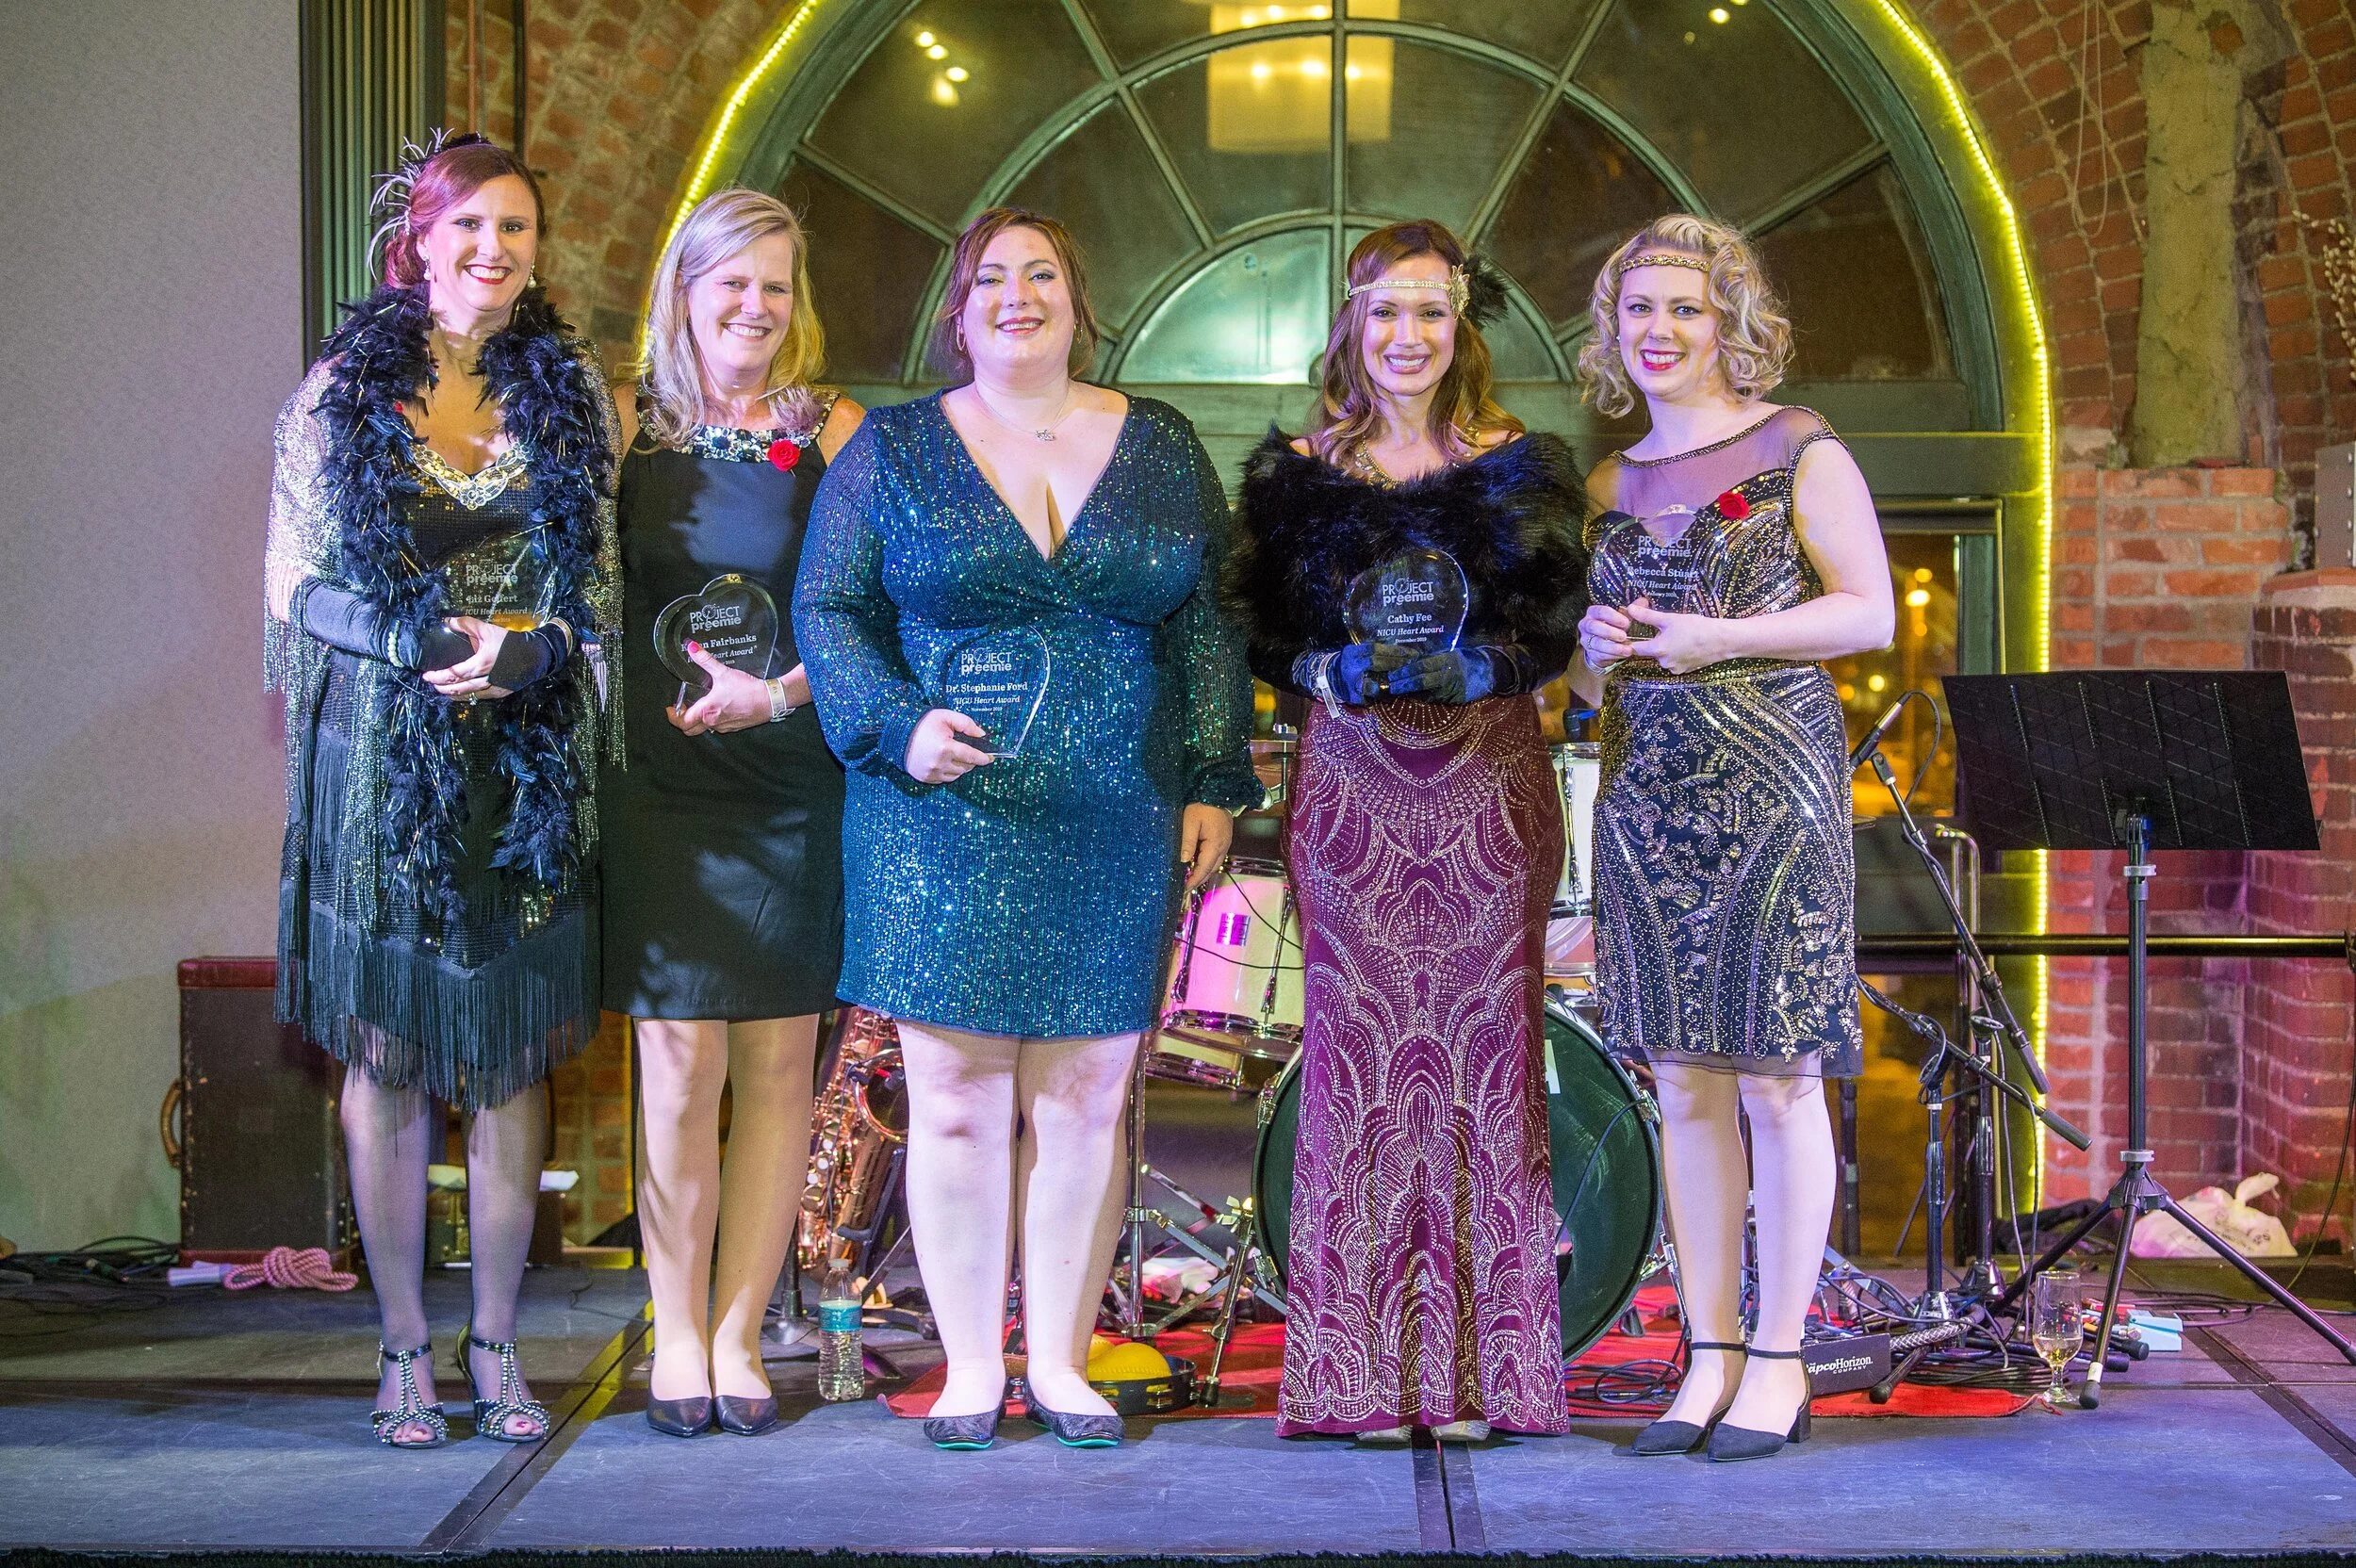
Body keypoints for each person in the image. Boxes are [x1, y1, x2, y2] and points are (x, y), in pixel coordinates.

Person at [794, 206, 1260, 1451]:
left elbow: (1208, 624)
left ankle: (1056, 1362)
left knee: (1084, 1101)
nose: (1017, 295)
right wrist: (899, 727)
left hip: (1115, 818)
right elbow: (829, 615)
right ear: (960, 312)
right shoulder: (892, 451)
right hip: (939, 819)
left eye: (1041, 273)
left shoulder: (1156, 445)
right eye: (991, 278)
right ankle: (965, 1369)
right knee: (950, 1102)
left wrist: (1215, 775)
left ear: (1078, 298)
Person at [264, 133, 620, 1449]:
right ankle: (404, 1348)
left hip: (521, 764)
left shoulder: (572, 391)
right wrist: (412, 640)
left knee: (514, 1058)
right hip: (380, 758)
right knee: (391, 1058)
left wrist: (536, 649)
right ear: (417, 239)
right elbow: (293, 588)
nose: (492, 250)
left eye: (516, 229)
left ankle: (497, 1346)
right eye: (468, 225)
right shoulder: (338, 392)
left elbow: (595, 584)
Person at [1221, 220, 1589, 1443]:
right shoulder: (1297, 475)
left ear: (1462, 323)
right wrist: (1321, 672)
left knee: (1486, 1081)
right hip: (1354, 797)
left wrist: (1484, 662)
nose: (1408, 337)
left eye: (1431, 312)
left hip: (1487, 793)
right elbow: (1260, 637)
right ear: (1352, 322)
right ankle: (1361, 1385)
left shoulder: (1522, 469)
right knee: (1359, 1077)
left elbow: (1552, 632)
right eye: (1387, 312)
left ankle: (1493, 1383)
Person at [1568, 214, 1892, 1462]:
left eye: (1685, 309)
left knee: (1776, 1074)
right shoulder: (1607, 484)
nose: (1658, 330)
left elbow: (1864, 611)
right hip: (1648, 792)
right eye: (1637, 309)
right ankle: (1703, 1357)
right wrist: (1599, 656)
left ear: (1731, 323)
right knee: (1686, 1084)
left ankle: (1780, 1358)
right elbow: (1604, 675)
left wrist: (1719, 641)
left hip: (1773, 789)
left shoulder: (1794, 446)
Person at [600, 188, 863, 1440]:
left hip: (791, 777)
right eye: (730, 285)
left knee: (774, 1065)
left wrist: (786, 694)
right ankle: (673, 1330)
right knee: (675, 1059)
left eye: (774, 285)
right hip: (661, 792)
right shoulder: (621, 433)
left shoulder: (836, 433)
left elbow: (876, 616)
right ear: (686, 294)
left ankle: (743, 1335)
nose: (754, 307)